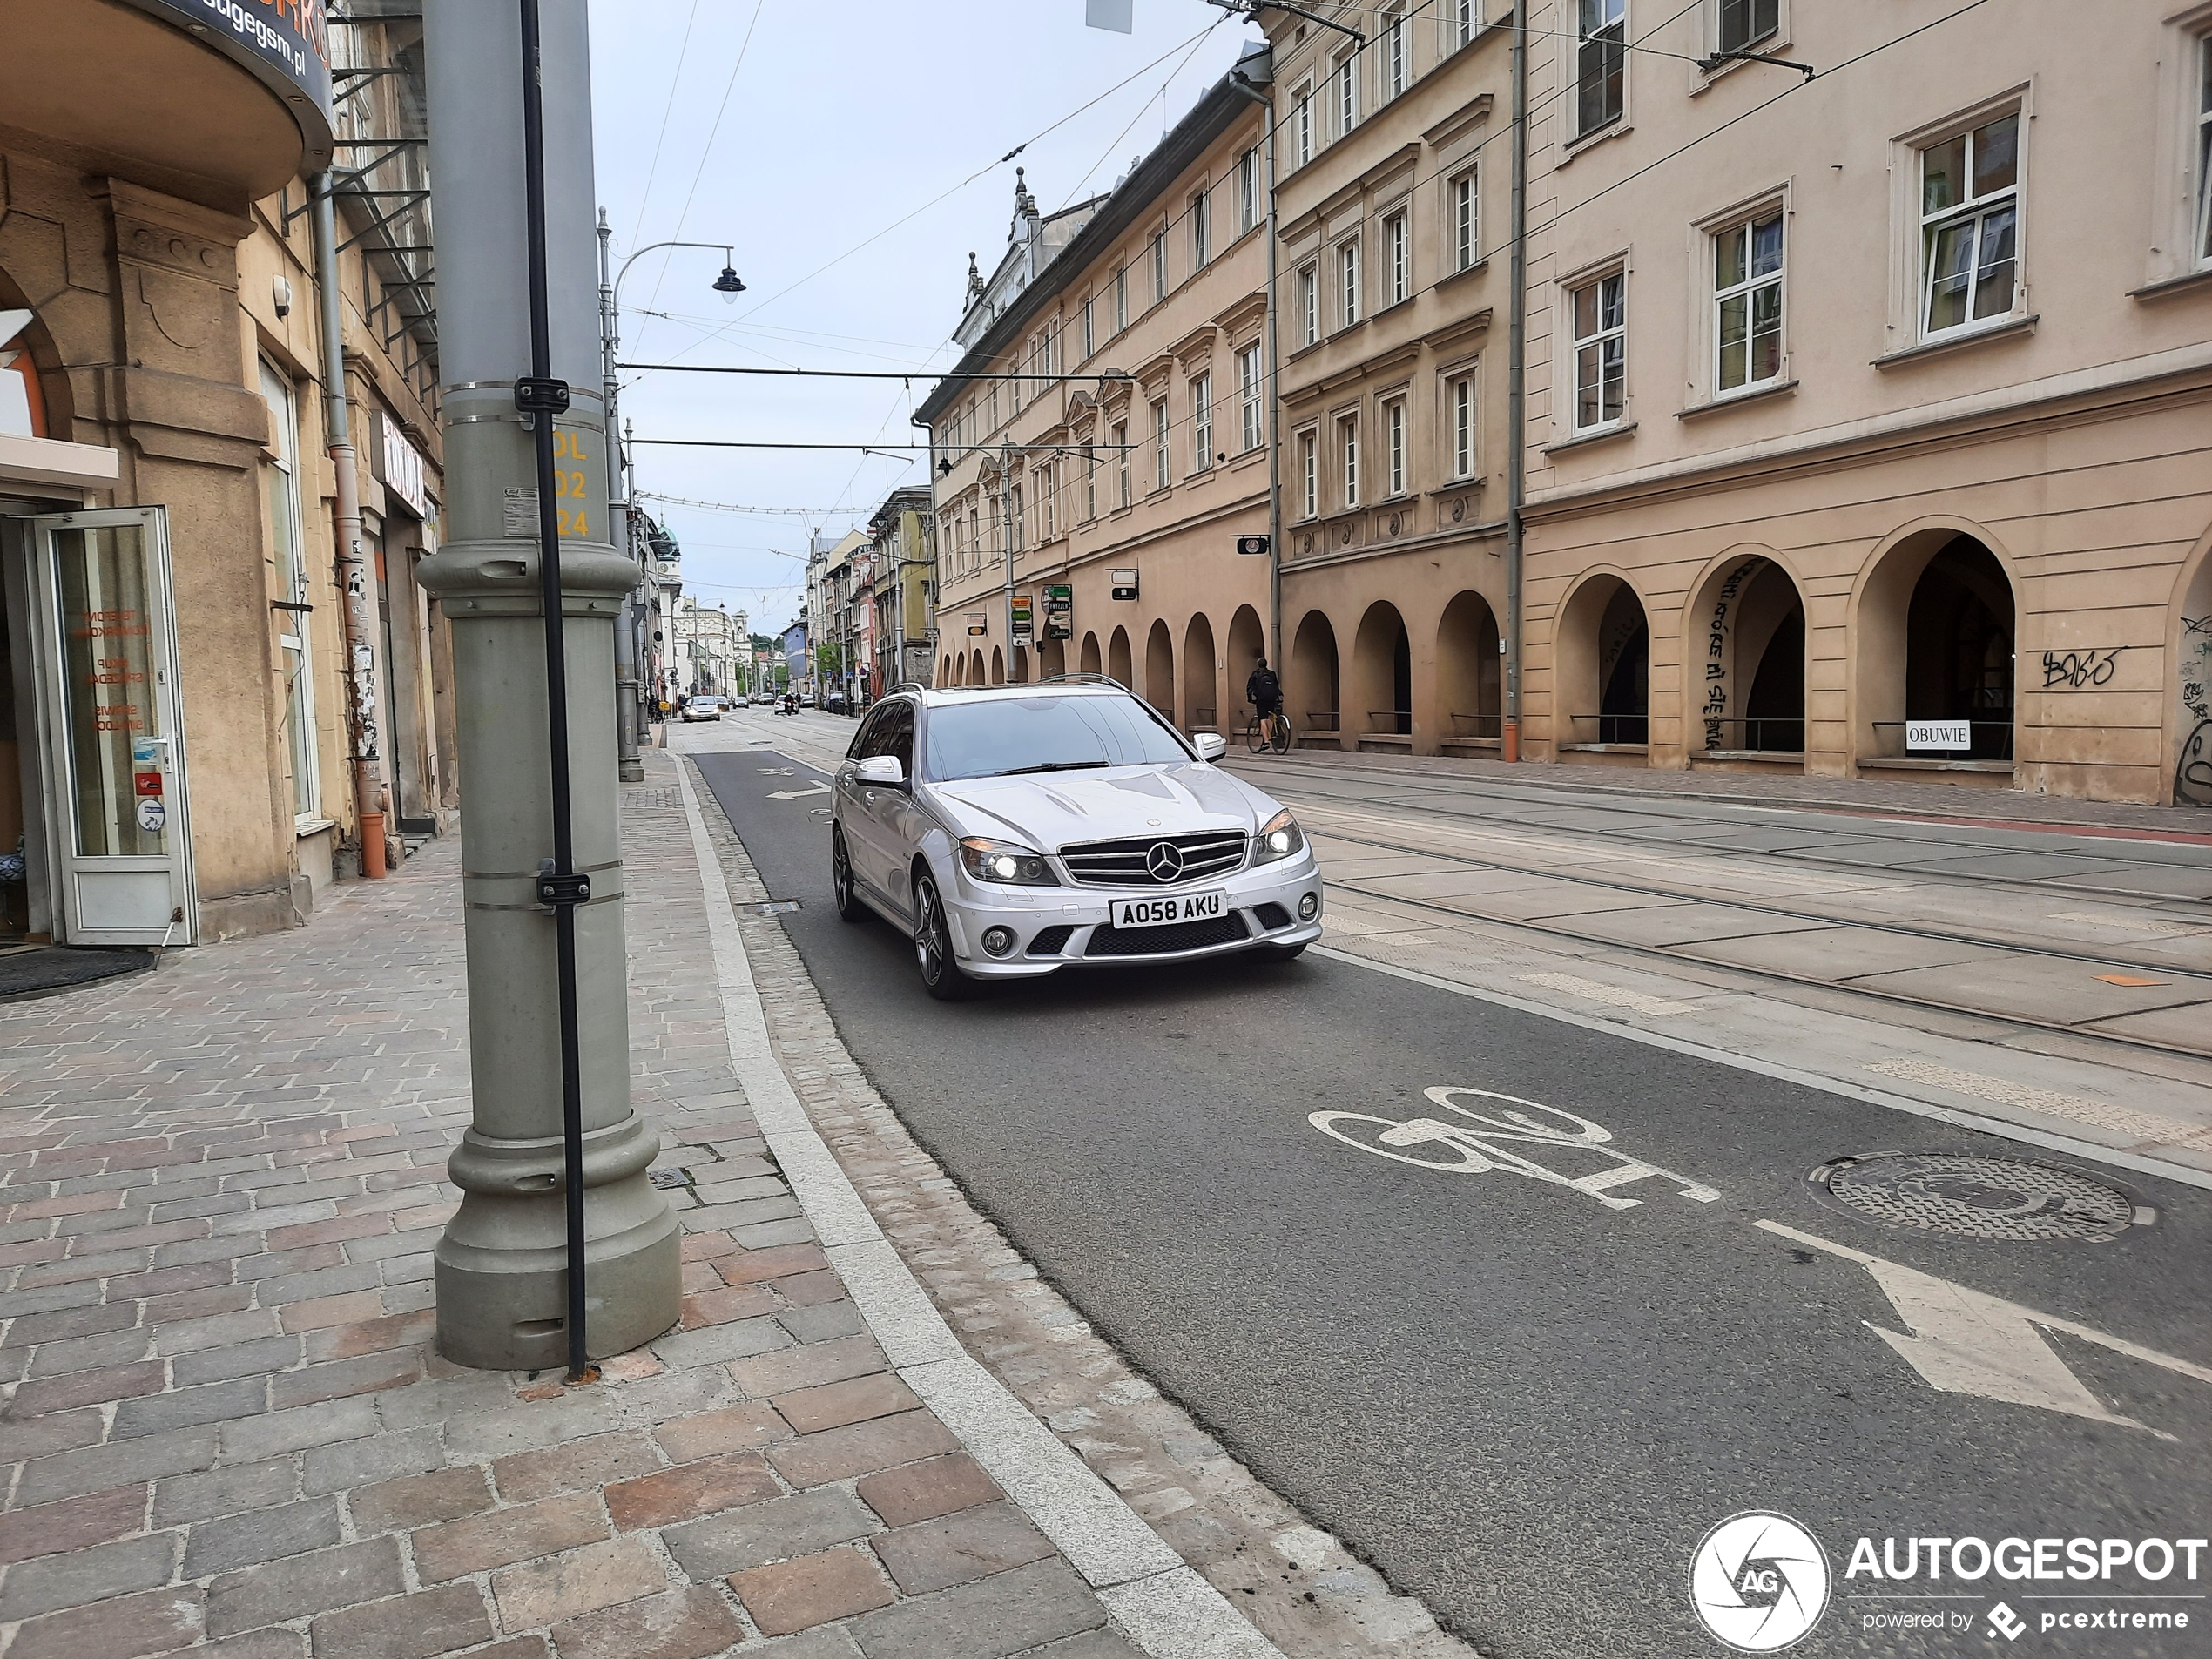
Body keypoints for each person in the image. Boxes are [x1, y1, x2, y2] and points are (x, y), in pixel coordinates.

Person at [1246, 656, 1283, 736]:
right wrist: (1279, 695)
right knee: (1271, 715)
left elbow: (1249, 687)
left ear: (1258, 665)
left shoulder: (1256, 674)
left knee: (1263, 719)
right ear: (1266, 664)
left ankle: (1266, 741)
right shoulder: (1271, 674)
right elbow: (1276, 685)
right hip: (1272, 698)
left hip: (1261, 699)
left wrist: (1250, 699)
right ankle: (1273, 732)